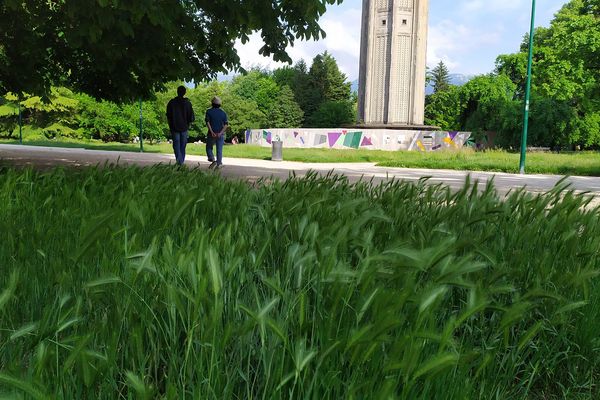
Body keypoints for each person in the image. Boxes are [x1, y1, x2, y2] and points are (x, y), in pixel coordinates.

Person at [166, 85, 195, 165]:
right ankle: (180, 162)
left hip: (174, 127)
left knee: (176, 145)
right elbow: (191, 117)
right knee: (182, 146)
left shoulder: (172, 102)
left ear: (177, 92)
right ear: (184, 92)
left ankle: (179, 162)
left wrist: (170, 125)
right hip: (184, 127)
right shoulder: (188, 103)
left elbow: (168, 115)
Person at [205, 96, 228, 169]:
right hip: (220, 134)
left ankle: (212, 158)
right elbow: (226, 124)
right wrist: (221, 133)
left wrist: (211, 132)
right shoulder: (223, 113)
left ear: (212, 104)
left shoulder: (209, 111)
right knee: (219, 149)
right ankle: (219, 164)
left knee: (209, 147)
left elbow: (207, 122)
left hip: (211, 133)